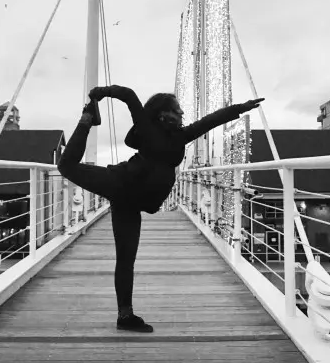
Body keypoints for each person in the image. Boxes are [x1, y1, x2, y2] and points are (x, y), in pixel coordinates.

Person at [58, 85, 264, 333]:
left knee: (126, 258)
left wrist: (240, 108)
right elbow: (129, 95)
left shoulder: (181, 135)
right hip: (120, 183)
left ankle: (125, 315)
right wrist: (101, 92)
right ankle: (88, 118)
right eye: (177, 110)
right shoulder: (146, 127)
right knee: (66, 166)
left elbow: (210, 121)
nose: (181, 114)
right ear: (162, 113)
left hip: (132, 201)